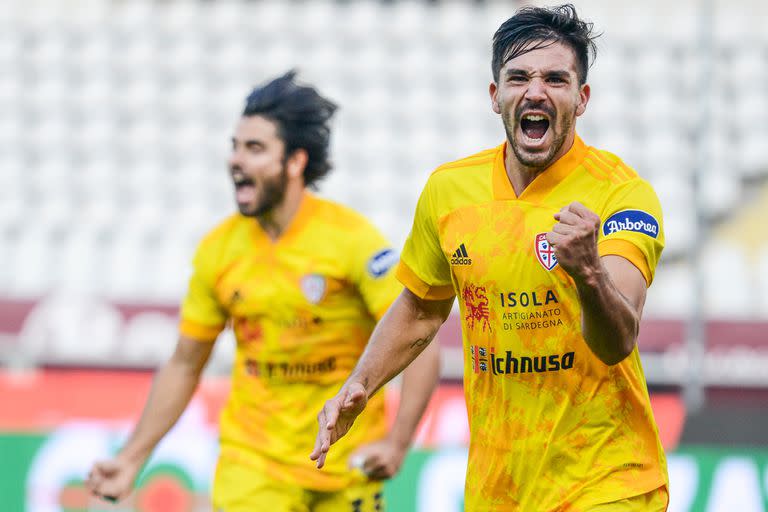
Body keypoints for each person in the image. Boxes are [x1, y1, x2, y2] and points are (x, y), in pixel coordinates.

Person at [311, 4, 669, 511]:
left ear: (582, 98)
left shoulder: (622, 196)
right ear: (495, 95)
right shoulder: (449, 191)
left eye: (556, 79)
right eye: (518, 77)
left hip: (607, 480)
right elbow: (419, 310)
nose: (535, 91)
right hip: (499, 488)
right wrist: (360, 386)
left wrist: (588, 271)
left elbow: (617, 342)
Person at [85, 71, 440, 512]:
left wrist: (398, 442)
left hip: (345, 466)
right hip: (252, 467)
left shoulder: (350, 240)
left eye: (255, 149)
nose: (237, 160)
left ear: (295, 162)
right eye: (235, 146)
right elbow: (184, 362)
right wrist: (131, 458)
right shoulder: (219, 251)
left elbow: (419, 337)